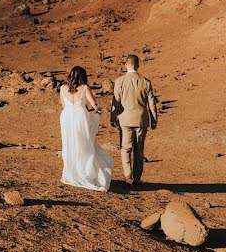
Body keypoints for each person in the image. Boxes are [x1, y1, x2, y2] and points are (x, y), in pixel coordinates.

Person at [59, 66, 113, 191]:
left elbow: (63, 105)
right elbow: (94, 105)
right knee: (83, 144)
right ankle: (84, 172)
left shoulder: (62, 88)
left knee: (69, 144)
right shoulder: (84, 88)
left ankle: (71, 173)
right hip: (80, 118)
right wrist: (98, 111)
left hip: (66, 118)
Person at [111, 55, 158, 185]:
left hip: (125, 119)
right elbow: (151, 103)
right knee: (139, 149)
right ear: (138, 65)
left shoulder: (119, 81)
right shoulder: (146, 82)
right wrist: (154, 119)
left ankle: (128, 175)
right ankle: (137, 178)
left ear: (126, 64)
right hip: (142, 120)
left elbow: (116, 101)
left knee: (126, 148)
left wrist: (112, 117)